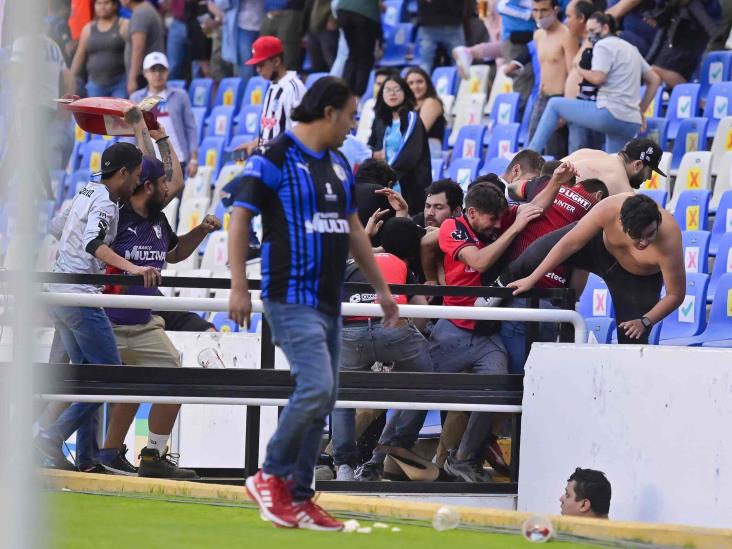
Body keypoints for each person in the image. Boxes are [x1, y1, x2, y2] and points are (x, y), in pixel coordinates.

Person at [228, 76, 400, 530]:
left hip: (329, 301)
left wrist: (381, 289)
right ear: (329, 113)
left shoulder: (341, 164)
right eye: (351, 116)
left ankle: (300, 497)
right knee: (318, 388)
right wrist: (238, 285)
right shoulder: (274, 157)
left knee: (324, 396)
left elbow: (354, 230)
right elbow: (240, 217)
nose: (353, 125)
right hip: (289, 296)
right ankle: (268, 475)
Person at [36, 107, 161, 470]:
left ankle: (86, 457)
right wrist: (133, 267)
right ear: (121, 174)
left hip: (60, 290)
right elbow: (94, 244)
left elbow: (58, 229)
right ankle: (49, 437)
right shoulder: (107, 202)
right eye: (135, 175)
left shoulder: (86, 190)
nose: (138, 182)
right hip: (81, 297)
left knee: (85, 376)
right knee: (110, 377)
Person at [99, 147, 221, 478]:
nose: (169, 189)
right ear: (147, 185)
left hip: (142, 324)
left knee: (175, 378)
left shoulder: (158, 219)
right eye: (163, 184)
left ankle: (152, 455)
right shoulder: (115, 217)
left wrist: (201, 231)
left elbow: (176, 252)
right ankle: (95, 450)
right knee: (78, 390)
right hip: (105, 321)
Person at [502, 192, 685, 345]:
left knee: (632, 338)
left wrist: (646, 321)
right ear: (621, 223)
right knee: (534, 254)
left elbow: (675, 295)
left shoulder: (669, 239)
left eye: (650, 234)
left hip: (635, 281)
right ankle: (495, 290)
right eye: (637, 236)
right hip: (597, 249)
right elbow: (568, 243)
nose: (644, 242)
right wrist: (532, 278)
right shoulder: (609, 208)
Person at [332, 217, 433, 481]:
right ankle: (397, 443)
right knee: (427, 380)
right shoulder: (402, 265)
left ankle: (343, 465)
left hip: (350, 334)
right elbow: (421, 314)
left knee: (342, 396)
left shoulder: (349, 263)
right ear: (412, 250)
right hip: (393, 331)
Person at [496, 172, 610, 373]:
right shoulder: (597, 213)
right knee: (535, 379)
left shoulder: (543, 184)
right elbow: (577, 282)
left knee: (512, 378)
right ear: (599, 195)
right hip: (547, 303)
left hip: (512, 293)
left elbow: (511, 187)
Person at [527, 12, 662, 154]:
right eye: (587, 31)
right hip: (631, 122)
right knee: (614, 167)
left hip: (610, 115)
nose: (589, 35)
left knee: (554, 104)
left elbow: (598, 78)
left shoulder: (602, 44)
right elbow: (655, 80)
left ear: (605, 28)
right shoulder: (630, 48)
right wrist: (640, 110)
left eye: (592, 30)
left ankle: (529, 155)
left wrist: (579, 68)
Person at [517, 0, 579, 154]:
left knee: (555, 151)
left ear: (555, 10)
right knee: (531, 149)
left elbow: (573, 73)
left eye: (544, 10)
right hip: (541, 96)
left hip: (560, 98)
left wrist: (567, 108)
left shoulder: (567, 35)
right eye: (535, 10)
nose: (539, 15)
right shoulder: (538, 35)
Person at [368, 75, 431, 216]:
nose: (392, 93)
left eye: (397, 89)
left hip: (409, 185)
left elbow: (410, 154)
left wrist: (385, 175)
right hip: (388, 185)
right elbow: (372, 146)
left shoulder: (411, 117)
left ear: (405, 93)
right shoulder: (380, 120)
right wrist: (374, 154)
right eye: (388, 90)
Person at [129, 52, 199, 178]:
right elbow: (129, 132)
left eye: (162, 69)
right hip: (146, 162)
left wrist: (193, 159)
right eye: (153, 70)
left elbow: (191, 128)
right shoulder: (136, 98)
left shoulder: (180, 96)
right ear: (145, 73)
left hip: (177, 159)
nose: (157, 74)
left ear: (168, 71)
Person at [236, 36, 306, 156]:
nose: (258, 70)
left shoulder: (293, 88)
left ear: (276, 62)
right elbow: (272, 130)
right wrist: (254, 144)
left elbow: (300, 132)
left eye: (261, 64)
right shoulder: (272, 86)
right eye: (256, 65)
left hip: (284, 162)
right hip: (268, 160)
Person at [645, 0, 721, 89]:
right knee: (654, 71)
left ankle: (699, 101)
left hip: (693, 26)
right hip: (677, 24)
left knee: (657, 69)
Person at [561, 137, 666, 196]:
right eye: (649, 171)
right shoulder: (623, 190)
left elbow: (549, 171)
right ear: (637, 165)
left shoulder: (587, 152)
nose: (649, 178)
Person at [70, 0, 129, 98]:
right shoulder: (88, 28)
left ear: (114, 5)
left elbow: (132, 52)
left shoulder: (123, 25)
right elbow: (80, 55)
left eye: (106, 3)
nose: (102, 7)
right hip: (95, 84)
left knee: (119, 112)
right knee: (96, 112)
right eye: (99, 3)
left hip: (120, 82)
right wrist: (70, 78)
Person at [336, 0, 381, 98]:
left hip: (343, 9)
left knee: (353, 54)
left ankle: (343, 95)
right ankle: (357, 98)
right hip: (365, 12)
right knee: (365, 57)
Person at [215, 0, 264, 82]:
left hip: (265, 24)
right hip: (242, 27)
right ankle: (245, 94)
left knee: (264, 68)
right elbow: (220, 4)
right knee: (246, 70)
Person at [123, 0, 165, 96]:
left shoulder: (140, 14)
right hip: (148, 74)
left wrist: (132, 78)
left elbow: (138, 47)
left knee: (142, 110)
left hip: (143, 77)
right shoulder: (145, 9)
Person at [416, 0, 469, 74]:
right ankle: (461, 84)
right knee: (460, 61)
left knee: (426, 63)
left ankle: (422, 84)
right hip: (452, 21)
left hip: (428, 23)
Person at [259, 0, 306, 71]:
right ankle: (270, 81)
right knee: (264, 50)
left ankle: (288, 80)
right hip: (269, 11)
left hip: (290, 10)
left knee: (288, 53)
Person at [405, 67, 447, 145]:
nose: (415, 86)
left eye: (420, 82)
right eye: (411, 83)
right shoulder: (408, 105)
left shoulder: (431, 102)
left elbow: (418, 133)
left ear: (427, 83)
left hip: (429, 148)